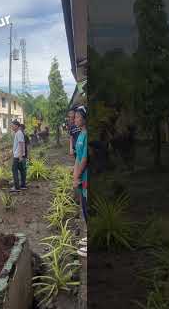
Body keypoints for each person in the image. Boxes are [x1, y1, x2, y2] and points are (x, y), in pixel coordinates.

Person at [73, 106, 88, 258]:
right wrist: (74, 174)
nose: (75, 119)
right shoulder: (80, 134)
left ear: (84, 118)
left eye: (77, 117)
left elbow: (84, 159)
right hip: (80, 178)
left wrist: (77, 176)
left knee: (88, 208)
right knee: (84, 207)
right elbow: (77, 157)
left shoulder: (87, 134)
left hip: (86, 178)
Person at [10, 120, 27, 193]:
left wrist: (20, 156)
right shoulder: (18, 133)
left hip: (17, 156)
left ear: (16, 126)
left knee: (14, 170)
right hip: (19, 155)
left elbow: (21, 144)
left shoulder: (19, 133)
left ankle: (17, 187)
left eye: (12, 126)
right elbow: (19, 144)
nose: (12, 127)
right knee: (22, 170)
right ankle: (23, 185)